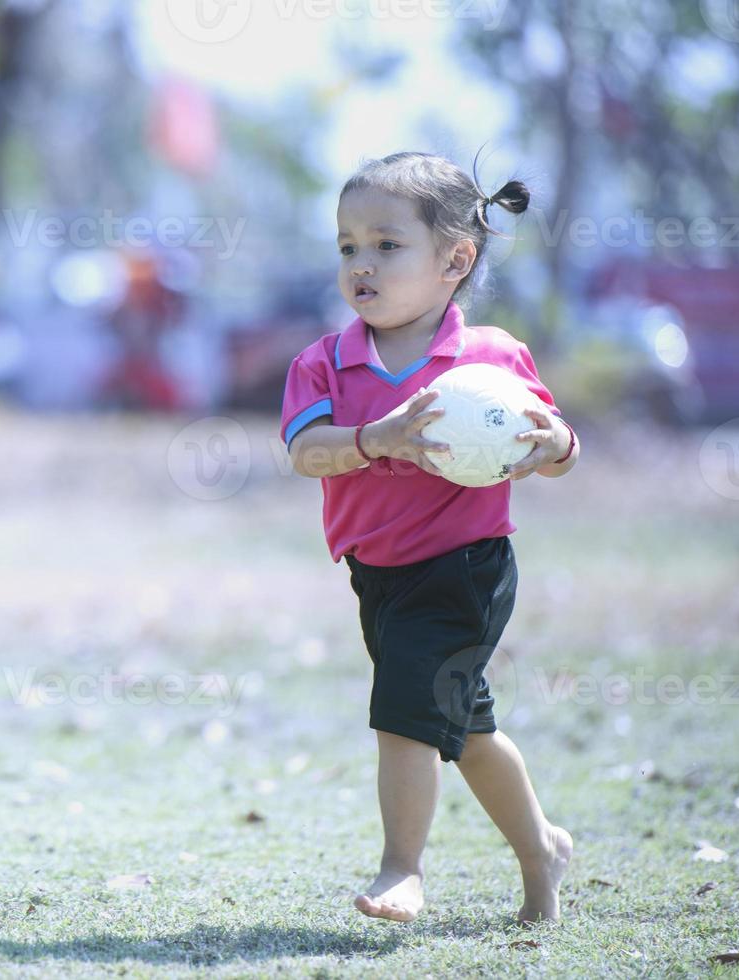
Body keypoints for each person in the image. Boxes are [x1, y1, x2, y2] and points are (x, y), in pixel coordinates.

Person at [279, 152, 578, 923]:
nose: (360, 264)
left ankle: (400, 869)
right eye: (347, 246)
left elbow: (549, 443)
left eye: (385, 244)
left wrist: (556, 449)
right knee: (465, 727)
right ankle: (540, 848)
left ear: (454, 260)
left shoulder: (491, 360)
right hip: (376, 575)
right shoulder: (323, 363)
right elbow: (305, 451)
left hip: (465, 568)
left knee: (402, 712)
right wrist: (376, 437)